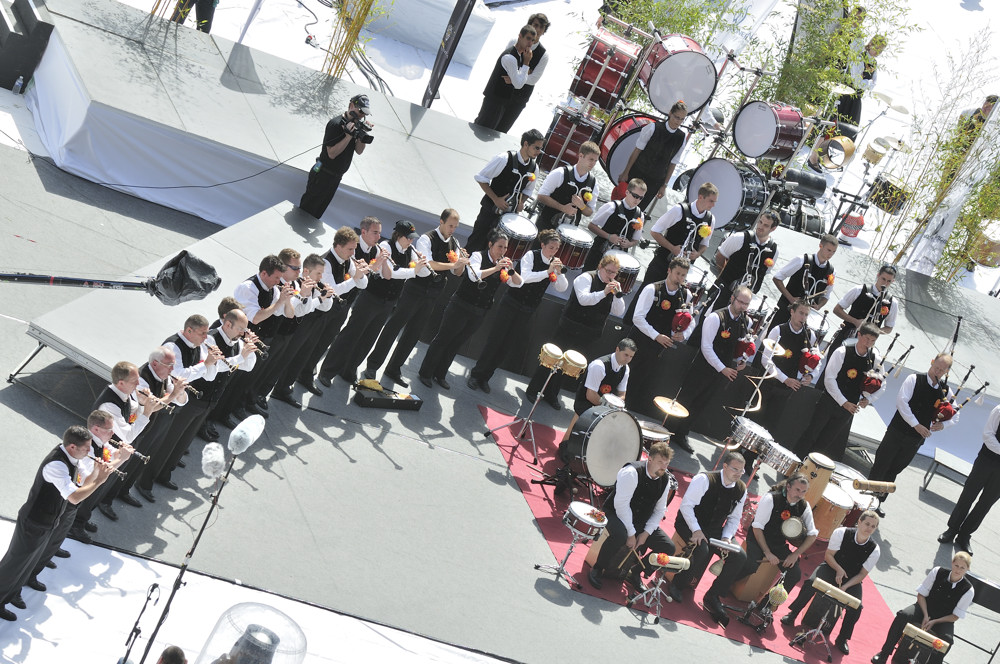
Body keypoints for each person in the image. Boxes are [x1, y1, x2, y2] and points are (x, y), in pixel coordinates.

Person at [0, 425, 128, 622]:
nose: (90, 451)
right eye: (86, 448)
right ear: (72, 447)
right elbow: (74, 497)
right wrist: (100, 480)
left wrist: (96, 472)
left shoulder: (72, 458)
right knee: (14, 564)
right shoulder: (57, 465)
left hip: (48, 521)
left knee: (28, 564)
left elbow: (79, 484)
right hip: (34, 522)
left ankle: (10, 595)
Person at [142, 312, 256, 503]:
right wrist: (222, 361)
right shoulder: (210, 338)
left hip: (209, 400)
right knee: (169, 440)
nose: (243, 333)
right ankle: (145, 480)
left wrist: (246, 353)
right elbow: (205, 370)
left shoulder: (232, 343)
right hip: (191, 399)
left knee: (182, 441)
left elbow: (236, 369)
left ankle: (164, 474)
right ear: (228, 325)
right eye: (240, 329)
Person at [364, 210, 468, 387]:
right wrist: (453, 264)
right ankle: (373, 365)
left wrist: (462, 263)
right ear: (441, 221)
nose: (452, 230)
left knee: (414, 333)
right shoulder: (427, 239)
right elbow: (429, 264)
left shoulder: (454, 243)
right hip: (415, 289)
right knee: (394, 327)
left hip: (434, 293)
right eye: (450, 225)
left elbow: (456, 272)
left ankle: (394, 368)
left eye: (455, 227)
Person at [323, 220, 430, 385]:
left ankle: (349, 370)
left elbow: (422, 273)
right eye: (408, 238)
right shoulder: (386, 247)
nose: (411, 241)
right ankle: (328, 370)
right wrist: (413, 271)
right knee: (351, 334)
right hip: (371, 298)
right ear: (399, 236)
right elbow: (390, 274)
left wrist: (422, 265)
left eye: (412, 238)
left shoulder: (411, 251)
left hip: (389, 302)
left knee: (369, 338)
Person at [418, 230, 521, 389]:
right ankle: (425, 372)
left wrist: (512, 269)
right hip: (461, 305)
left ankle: (440, 374)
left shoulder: (503, 264)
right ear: (490, 245)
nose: (503, 251)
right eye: (500, 246)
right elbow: (475, 276)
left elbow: (518, 283)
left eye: (505, 248)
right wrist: (495, 268)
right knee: (443, 339)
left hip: (480, 311)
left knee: (456, 342)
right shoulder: (478, 256)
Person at [468, 228, 568, 393]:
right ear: (543, 245)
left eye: (557, 249)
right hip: (512, 303)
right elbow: (525, 278)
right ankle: (476, 374)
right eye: (551, 248)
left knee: (506, 345)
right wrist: (547, 272)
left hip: (528, 309)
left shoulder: (553, 263)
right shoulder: (531, 256)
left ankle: (486, 377)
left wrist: (559, 272)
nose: (554, 252)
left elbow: (562, 287)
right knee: (495, 340)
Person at [73, 361, 162, 541]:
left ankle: (83, 517)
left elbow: (133, 410)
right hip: (99, 449)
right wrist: (148, 413)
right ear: (121, 383)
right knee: (93, 485)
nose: (138, 385)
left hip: (112, 448)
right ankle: (75, 523)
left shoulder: (125, 394)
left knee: (102, 487)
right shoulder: (109, 405)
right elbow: (128, 435)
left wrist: (145, 403)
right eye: (134, 381)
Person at [525, 253, 626, 410]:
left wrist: (618, 296)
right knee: (553, 360)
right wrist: (604, 292)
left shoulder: (612, 287)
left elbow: (619, 312)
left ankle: (552, 395)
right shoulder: (586, 278)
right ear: (600, 267)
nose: (611, 276)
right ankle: (534, 390)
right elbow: (583, 300)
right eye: (609, 271)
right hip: (570, 326)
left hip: (588, 332)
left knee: (569, 366)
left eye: (614, 273)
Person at [101, 347, 189, 516]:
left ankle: (124, 491)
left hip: (156, 425)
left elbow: (181, 402)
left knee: (142, 461)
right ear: (155, 364)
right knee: (127, 464)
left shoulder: (164, 377)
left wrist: (180, 392)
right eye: (169, 365)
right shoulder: (142, 378)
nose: (172, 369)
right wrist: (171, 396)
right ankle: (105, 500)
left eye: (173, 365)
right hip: (139, 428)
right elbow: (150, 406)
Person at [666, 286, 753, 455]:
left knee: (700, 404)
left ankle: (682, 433)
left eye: (746, 304)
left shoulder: (745, 322)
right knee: (685, 399)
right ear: (732, 299)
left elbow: (742, 344)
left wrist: (742, 360)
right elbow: (706, 347)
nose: (743, 306)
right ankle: (668, 431)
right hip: (703, 367)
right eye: (741, 302)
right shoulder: (715, 317)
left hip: (722, 371)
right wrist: (723, 369)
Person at [868, 353, 957, 515]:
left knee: (895, 468)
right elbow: (902, 402)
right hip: (898, 431)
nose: (938, 371)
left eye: (942, 370)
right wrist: (916, 425)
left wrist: (942, 425)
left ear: (946, 372)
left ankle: (878, 502)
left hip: (915, 439)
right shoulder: (914, 379)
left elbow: (955, 414)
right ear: (932, 362)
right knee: (881, 463)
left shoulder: (945, 391)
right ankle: (866, 500)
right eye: (936, 367)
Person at [781, 513, 881, 656]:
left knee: (857, 606)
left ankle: (842, 638)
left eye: (873, 526)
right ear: (859, 522)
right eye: (867, 524)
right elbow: (829, 556)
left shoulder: (875, 549)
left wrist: (845, 587)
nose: (869, 528)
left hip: (852, 578)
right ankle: (793, 613)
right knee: (810, 583)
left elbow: (862, 575)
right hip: (832, 567)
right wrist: (839, 570)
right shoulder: (841, 532)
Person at [668, 451, 748, 626]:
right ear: (724, 466)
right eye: (735, 469)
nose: (739, 474)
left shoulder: (741, 489)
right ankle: (677, 584)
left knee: (740, 556)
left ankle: (713, 595)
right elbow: (686, 506)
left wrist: (727, 539)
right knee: (702, 549)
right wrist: (696, 531)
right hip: (689, 524)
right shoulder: (704, 480)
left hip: (715, 530)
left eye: (742, 471)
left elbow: (734, 519)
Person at [297, 223, 378, 394]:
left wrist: (361, 274)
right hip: (322, 310)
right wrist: (354, 278)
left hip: (340, 309)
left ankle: (307, 373)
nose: (353, 253)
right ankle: (300, 373)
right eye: (350, 249)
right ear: (338, 246)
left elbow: (363, 284)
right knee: (312, 343)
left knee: (324, 343)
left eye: (354, 249)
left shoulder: (348, 260)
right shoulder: (326, 262)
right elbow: (332, 290)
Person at [587, 442, 678, 592]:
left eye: (667, 463)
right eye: (660, 462)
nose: (664, 467)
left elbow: (659, 510)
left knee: (668, 547)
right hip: (615, 513)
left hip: (641, 520)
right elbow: (621, 505)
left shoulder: (665, 480)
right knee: (620, 535)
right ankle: (598, 568)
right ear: (650, 459)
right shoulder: (631, 472)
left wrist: (645, 534)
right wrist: (631, 533)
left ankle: (636, 572)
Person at [623, 181, 717, 324]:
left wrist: (697, 254)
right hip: (662, 262)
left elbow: (705, 244)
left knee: (666, 303)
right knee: (645, 295)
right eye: (711, 200)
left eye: (714, 201)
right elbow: (655, 231)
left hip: (680, 272)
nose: (713, 205)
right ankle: (626, 325)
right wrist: (672, 248)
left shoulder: (710, 219)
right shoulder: (679, 210)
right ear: (700, 197)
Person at [213, 255, 293, 423]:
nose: (279, 281)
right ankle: (213, 417)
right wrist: (278, 302)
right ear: (264, 273)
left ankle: (226, 413)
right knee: (230, 381)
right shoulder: (248, 287)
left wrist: (286, 300)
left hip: (256, 341)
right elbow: (255, 318)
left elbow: (289, 314)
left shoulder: (273, 289)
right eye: (277, 277)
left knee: (243, 380)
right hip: (238, 340)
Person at [795, 322, 886, 461]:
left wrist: (869, 399)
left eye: (873, 341)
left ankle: (810, 470)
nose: (869, 343)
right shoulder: (842, 351)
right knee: (811, 433)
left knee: (826, 441)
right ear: (859, 335)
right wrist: (844, 402)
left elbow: (882, 382)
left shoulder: (875, 358)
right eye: (867, 338)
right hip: (830, 400)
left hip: (850, 407)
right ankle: (794, 464)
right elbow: (829, 379)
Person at [872, 552, 974, 664]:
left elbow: (955, 616)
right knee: (903, 615)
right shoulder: (937, 572)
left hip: (943, 619)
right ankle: (884, 654)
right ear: (952, 563)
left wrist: (935, 621)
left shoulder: (968, 590)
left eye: (962, 568)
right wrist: (925, 615)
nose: (958, 570)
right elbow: (921, 595)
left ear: (967, 569)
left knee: (948, 640)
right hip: (924, 608)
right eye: (956, 565)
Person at [624, 256, 693, 411]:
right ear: (669, 271)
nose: (680, 278)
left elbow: (691, 320)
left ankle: (626, 409)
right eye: (677, 273)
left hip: (658, 348)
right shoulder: (652, 289)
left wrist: (683, 334)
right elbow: (638, 318)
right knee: (625, 373)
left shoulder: (686, 295)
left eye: (683, 275)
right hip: (638, 341)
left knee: (640, 380)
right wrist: (656, 335)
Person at [733, 474, 818, 596]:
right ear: (788, 487)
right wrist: (767, 552)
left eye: (803, 492)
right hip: (758, 538)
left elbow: (812, 535)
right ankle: (726, 583)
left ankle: (768, 604)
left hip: (778, 543)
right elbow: (757, 528)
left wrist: (795, 554)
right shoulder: (771, 498)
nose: (800, 495)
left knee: (794, 574)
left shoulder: (804, 506)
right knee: (751, 565)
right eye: (797, 490)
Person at [271, 253, 337, 408]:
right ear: (306, 272)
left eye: (322, 273)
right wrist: (318, 299)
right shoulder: (299, 284)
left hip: (313, 324)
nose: (321, 277)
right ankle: (279, 387)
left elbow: (326, 308)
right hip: (299, 324)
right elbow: (303, 308)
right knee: (289, 356)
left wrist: (327, 297)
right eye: (318, 273)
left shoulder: (317, 286)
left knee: (303, 355)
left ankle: (286, 386)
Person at [751, 300, 817, 444]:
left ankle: (752, 459)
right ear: (792, 312)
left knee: (770, 426)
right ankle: (738, 451)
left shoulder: (809, 336)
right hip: (766, 384)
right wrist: (785, 378)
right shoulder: (778, 330)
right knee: (754, 419)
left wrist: (810, 375)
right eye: (801, 313)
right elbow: (766, 360)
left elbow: (815, 360)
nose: (803, 317)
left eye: (806, 314)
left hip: (786, 389)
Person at [467, 130, 543, 252]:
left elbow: (528, 190)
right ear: (526, 144)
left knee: (495, 251)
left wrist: (521, 202)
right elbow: (481, 178)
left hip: (509, 217)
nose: (539, 152)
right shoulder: (504, 158)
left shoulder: (534, 168)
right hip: (489, 211)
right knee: (475, 245)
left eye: (540, 149)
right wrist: (495, 199)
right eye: (537, 148)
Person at [939, 403, 1000, 555]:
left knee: (986, 503)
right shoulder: (999, 410)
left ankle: (965, 535)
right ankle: (952, 529)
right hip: (986, 460)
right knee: (968, 495)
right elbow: (988, 435)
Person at [299, 94, 372, 218]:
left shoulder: (355, 125)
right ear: (351, 106)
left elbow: (359, 151)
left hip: (335, 178)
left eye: (364, 113)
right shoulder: (335, 124)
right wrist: (348, 136)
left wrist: (362, 134)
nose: (361, 115)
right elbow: (331, 154)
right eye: (360, 111)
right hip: (322, 173)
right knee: (307, 210)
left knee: (318, 212)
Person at [616, 101, 688, 212]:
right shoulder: (653, 128)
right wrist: (626, 172)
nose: (678, 121)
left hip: (655, 181)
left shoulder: (681, 138)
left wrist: (664, 185)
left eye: (682, 119)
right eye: (676, 117)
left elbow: (673, 162)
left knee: (638, 211)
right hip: (637, 173)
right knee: (622, 205)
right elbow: (637, 151)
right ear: (670, 113)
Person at [561, 338, 636, 442]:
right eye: (626, 355)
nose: (628, 359)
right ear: (617, 349)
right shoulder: (599, 365)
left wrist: (615, 407)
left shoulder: (626, 369)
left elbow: (622, 394)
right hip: (586, 403)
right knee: (569, 443)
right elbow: (590, 395)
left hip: (606, 406)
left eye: (631, 356)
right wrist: (608, 409)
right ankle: (566, 444)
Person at [706, 210, 780, 313]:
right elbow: (720, 256)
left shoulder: (774, 250)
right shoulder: (740, 237)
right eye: (760, 222)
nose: (760, 226)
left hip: (743, 302)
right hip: (724, 291)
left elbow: (764, 272)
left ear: (773, 228)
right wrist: (725, 277)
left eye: (766, 225)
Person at [826, 264, 898, 359]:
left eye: (889, 281)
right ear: (878, 275)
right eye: (883, 279)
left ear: (893, 281)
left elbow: (889, 328)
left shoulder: (893, 302)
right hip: (846, 336)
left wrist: (875, 331)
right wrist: (855, 321)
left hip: (865, 347)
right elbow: (837, 309)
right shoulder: (859, 290)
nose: (885, 283)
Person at [769, 234, 838, 331]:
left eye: (833, 252)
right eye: (829, 250)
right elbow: (777, 278)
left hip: (803, 319)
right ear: (820, 246)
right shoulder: (801, 260)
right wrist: (791, 298)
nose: (830, 254)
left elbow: (826, 296)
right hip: (786, 311)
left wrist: (819, 306)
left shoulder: (831, 271)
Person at [474, 25, 537, 131]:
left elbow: (517, 80)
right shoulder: (511, 57)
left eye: (533, 40)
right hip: (494, 102)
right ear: (520, 36)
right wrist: (526, 63)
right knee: (481, 129)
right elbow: (518, 84)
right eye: (528, 38)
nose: (530, 43)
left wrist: (513, 79)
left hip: (501, 102)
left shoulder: (518, 55)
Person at [495, 13, 551, 133]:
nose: (538, 29)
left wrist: (515, 78)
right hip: (500, 91)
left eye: (542, 27)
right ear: (529, 25)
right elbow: (504, 63)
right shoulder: (514, 42)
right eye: (535, 25)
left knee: (502, 130)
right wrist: (524, 73)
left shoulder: (543, 55)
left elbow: (534, 79)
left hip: (519, 99)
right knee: (486, 123)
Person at [534, 141, 600, 232]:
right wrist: (562, 208)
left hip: (568, 233)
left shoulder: (594, 183)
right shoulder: (560, 173)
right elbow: (541, 196)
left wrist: (582, 206)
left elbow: (589, 212)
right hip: (546, 227)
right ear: (581, 156)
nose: (593, 164)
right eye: (591, 159)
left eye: (595, 161)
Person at [582, 178, 645, 272]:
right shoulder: (611, 207)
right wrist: (609, 236)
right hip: (599, 252)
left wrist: (629, 244)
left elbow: (635, 240)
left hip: (618, 260)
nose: (637, 200)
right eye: (635, 196)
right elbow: (591, 226)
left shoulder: (640, 215)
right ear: (627, 192)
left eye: (641, 198)